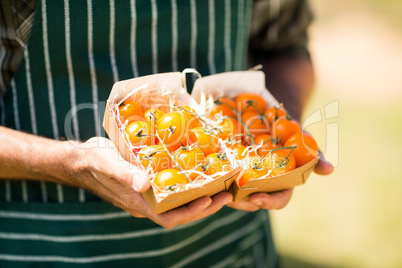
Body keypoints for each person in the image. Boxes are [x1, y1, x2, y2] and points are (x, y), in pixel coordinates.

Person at [0, 0, 333, 267]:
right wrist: (71, 162)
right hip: (51, 244)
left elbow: (285, 46)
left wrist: (279, 131)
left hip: (231, 244)